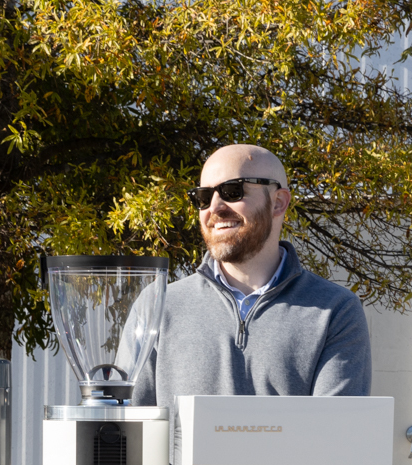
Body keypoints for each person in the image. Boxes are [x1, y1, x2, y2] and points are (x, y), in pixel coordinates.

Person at [131, 144, 371, 408]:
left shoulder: (335, 311)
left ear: (278, 203)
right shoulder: (157, 305)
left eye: (232, 191)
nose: (214, 207)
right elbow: (127, 431)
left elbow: (336, 435)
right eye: (203, 196)